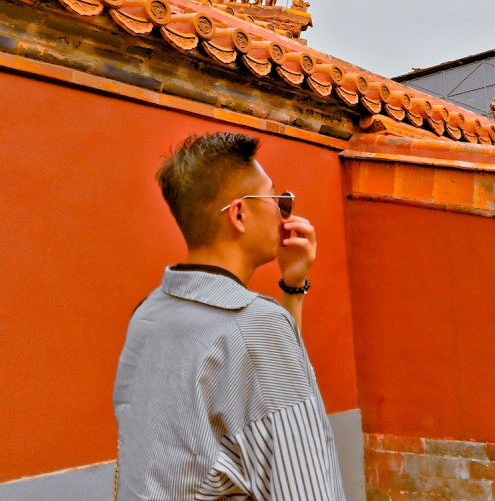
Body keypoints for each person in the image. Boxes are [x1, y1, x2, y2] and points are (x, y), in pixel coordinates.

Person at [113, 132, 345, 500]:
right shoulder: (255, 326)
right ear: (239, 214)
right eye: (277, 199)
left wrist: (292, 288)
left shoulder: (148, 314)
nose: (284, 212)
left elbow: (259, 386)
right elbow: (304, 486)